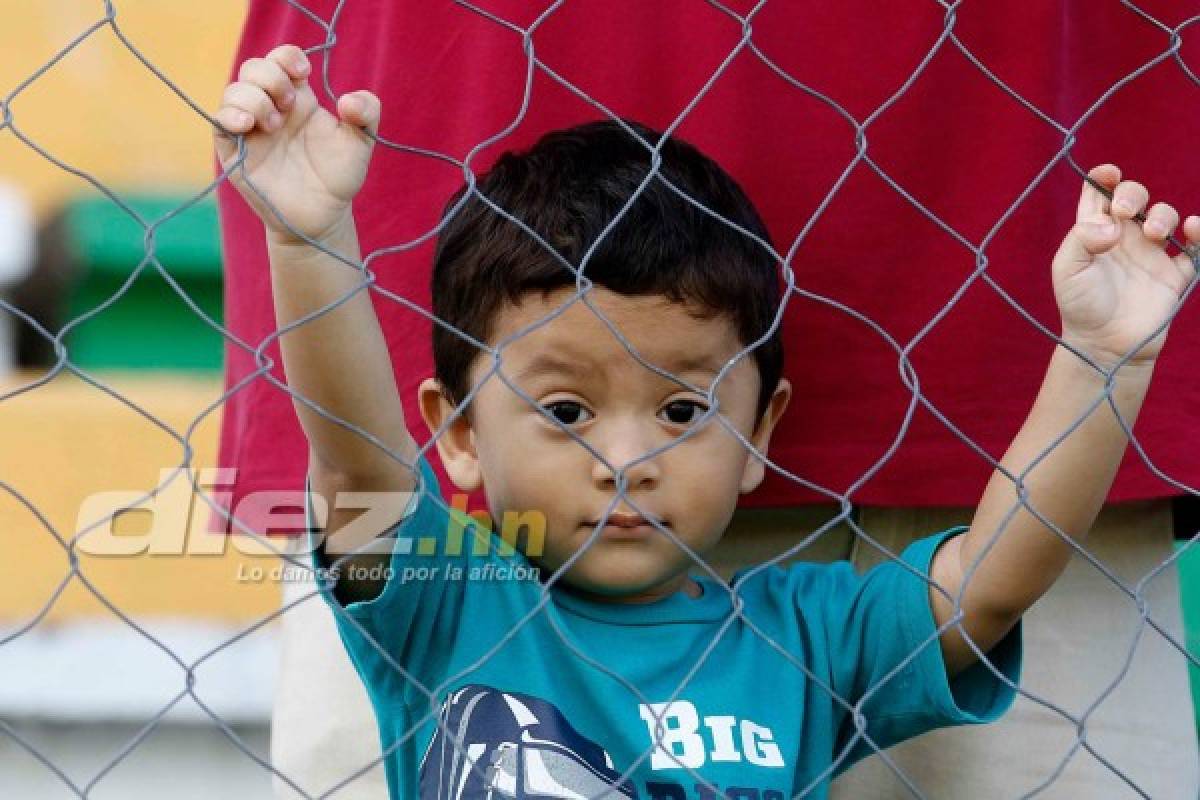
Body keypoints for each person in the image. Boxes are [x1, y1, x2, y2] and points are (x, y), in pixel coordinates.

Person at [213, 44, 1197, 799]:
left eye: (683, 408)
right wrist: (308, 239)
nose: (629, 458)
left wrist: (1102, 360)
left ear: (760, 429)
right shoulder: (449, 605)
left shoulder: (806, 639)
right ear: (459, 431)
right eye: (566, 410)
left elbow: (989, 583)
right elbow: (360, 465)